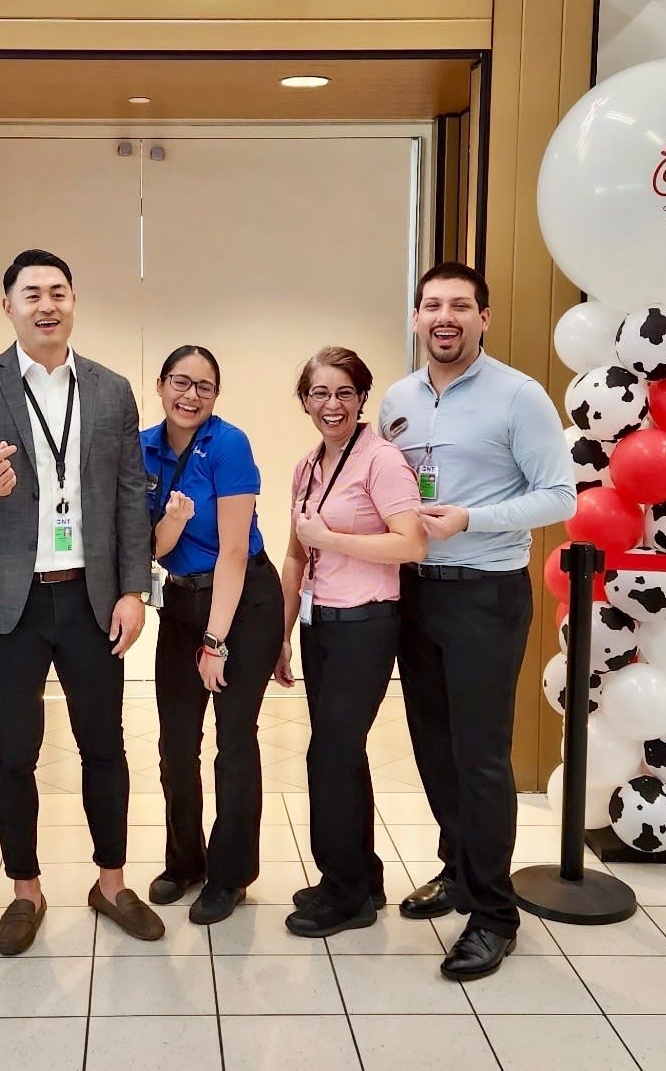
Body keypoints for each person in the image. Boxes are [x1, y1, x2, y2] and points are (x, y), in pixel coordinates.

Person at [0, 249, 161, 954]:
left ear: (72, 301)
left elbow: (129, 496)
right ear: (8, 306)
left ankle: (111, 882)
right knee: (14, 753)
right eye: (30, 293)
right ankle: (25, 889)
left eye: (58, 291)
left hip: (91, 599)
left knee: (105, 748)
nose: (45, 304)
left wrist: (132, 589)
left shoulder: (112, 389)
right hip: (9, 603)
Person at [380, 261, 575, 981]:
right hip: (414, 592)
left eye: (460, 305)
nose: (445, 316)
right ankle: (457, 870)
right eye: (432, 304)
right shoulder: (396, 400)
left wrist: (471, 519)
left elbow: (560, 497)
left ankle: (493, 915)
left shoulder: (518, 396)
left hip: (485, 593)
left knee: (481, 758)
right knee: (431, 745)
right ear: (415, 317)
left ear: (482, 319)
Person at [276, 347, 425, 939]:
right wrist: (283, 634)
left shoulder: (381, 461)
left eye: (343, 393)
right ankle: (360, 875)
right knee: (343, 755)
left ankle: (347, 895)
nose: (331, 405)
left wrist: (333, 538)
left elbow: (410, 543)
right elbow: (294, 553)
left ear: (363, 397)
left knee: (330, 755)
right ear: (305, 401)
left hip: (366, 624)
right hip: (320, 626)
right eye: (319, 394)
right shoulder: (308, 465)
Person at [143, 346, 284, 925]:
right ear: (161, 384)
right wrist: (170, 524)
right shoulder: (143, 446)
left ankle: (229, 876)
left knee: (233, 741)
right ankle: (185, 862)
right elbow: (146, 548)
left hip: (242, 603)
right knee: (176, 745)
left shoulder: (228, 444)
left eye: (205, 386)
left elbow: (231, 549)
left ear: (215, 396)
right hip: (180, 601)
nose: (191, 395)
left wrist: (216, 642)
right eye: (182, 382)